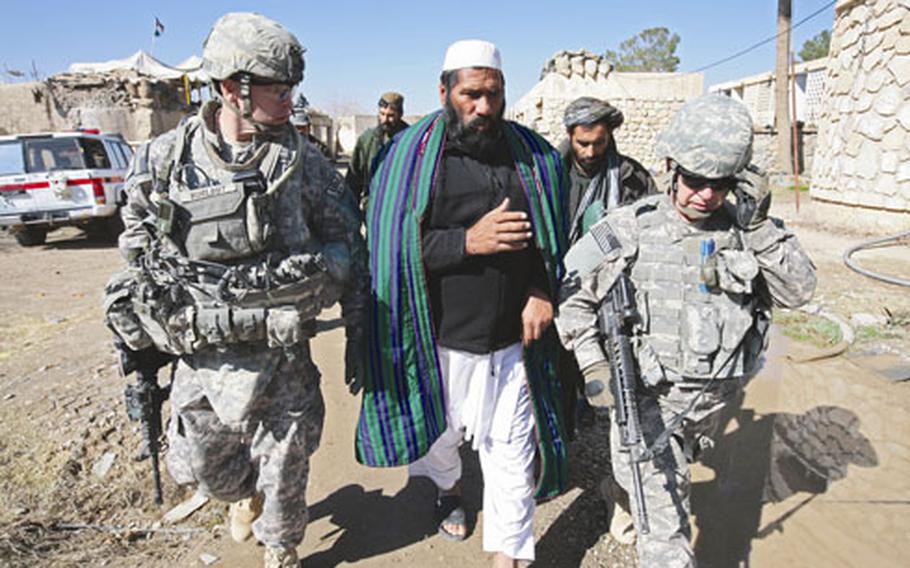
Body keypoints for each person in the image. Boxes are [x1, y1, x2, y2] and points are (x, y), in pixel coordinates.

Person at [102, 12, 367, 568]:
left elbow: (349, 245)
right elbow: (137, 245)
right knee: (206, 468)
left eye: (292, 88)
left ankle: (282, 548)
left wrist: (346, 310)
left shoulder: (305, 165)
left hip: (281, 351)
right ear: (231, 89)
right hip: (203, 354)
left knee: (287, 462)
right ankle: (240, 494)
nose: (290, 100)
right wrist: (146, 318)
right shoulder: (166, 159)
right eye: (277, 88)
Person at [555, 93, 816, 568]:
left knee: (658, 480)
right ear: (672, 166)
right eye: (695, 180)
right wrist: (594, 366)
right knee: (667, 536)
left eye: (721, 184)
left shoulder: (749, 230)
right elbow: (572, 293)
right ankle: (634, 486)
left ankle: (620, 486)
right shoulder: (631, 227)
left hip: (712, 407)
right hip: (648, 404)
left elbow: (799, 292)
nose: (706, 195)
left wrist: (758, 229)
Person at [353, 40, 569, 568]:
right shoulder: (409, 160)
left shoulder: (533, 157)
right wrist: (467, 242)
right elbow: (391, 249)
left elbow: (548, 240)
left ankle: (510, 553)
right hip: (438, 341)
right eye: (472, 94)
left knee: (512, 453)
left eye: (494, 94)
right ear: (445, 90)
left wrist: (542, 291)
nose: (484, 107)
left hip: (511, 342)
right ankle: (448, 490)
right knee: (441, 438)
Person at [345, 91, 408, 210]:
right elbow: (353, 180)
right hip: (373, 208)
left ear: (400, 115)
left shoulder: (410, 139)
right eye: (382, 114)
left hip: (400, 209)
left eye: (390, 115)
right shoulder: (367, 140)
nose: (385, 119)